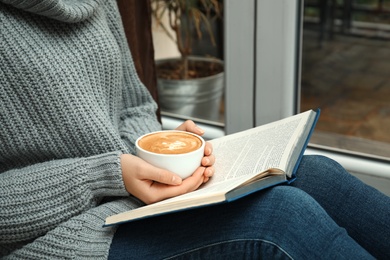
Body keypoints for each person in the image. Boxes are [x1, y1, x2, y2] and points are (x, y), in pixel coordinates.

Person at [0, 1, 389, 259]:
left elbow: (132, 103)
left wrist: (153, 157)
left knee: (316, 173)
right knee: (282, 219)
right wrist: (107, 175)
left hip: (130, 201)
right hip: (52, 233)